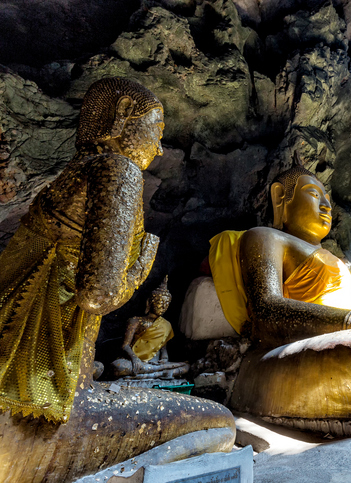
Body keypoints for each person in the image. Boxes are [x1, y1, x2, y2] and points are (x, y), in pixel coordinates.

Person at [0, 77, 234, 483]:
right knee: (221, 422)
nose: (158, 149)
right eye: (156, 130)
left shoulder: (66, 181)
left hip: (18, 378)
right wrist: (142, 262)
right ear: (123, 114)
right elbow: (99, 295)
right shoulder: (117, 169)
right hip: (35, 407)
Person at [209, 165, 351, 420]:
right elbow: (265, 313)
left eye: (328, 199)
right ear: (280, 199)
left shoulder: (333, 258)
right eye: (313, 194)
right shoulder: (265, 237)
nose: (326, 206)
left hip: (335, 345)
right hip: (287, 349)